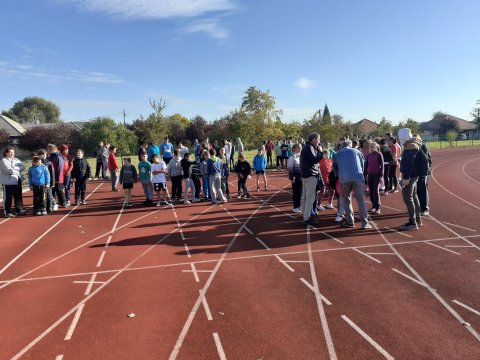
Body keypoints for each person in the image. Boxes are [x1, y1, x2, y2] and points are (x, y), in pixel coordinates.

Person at [332, 139, 371, 229]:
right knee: (361, 201)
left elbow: (334, 166)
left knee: (347, 200)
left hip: (344, 179)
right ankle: (364, 223)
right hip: (357, 177)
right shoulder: (356, 151)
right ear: (350, 144)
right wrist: (362, 174)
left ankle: (350, 222)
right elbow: (363, 163)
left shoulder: (337, 154)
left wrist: (339, 174)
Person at [398, 128, 422, 231]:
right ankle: (417, 220)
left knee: (408, 198)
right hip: (413, 175)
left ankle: (413, 222)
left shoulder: (411, 146)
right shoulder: (412, 143)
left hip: (410, 176)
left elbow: (409, 163)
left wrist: (406, 177)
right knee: (414, 196)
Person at [300, 133, 324, 226]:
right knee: (310, 197)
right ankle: (306, 218)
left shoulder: (308, 147)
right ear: (313, 139)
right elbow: (314, 160)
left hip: (306, 174)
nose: (319, 141)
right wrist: (321, 152)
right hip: (310, 175)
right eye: (318, 139)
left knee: (306, 196)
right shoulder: (309, 147)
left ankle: (305, 214)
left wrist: (317, 149)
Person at [0, 147, 26, 218]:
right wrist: (17, 170)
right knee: (8, 197)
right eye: (10, 152)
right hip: (8, 182)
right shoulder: (3, 160)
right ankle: (7, 212)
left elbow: (23, 167)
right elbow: (8, 170)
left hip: (17, 180)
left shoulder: (16, 159)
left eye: (13, 152)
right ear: (6, 153)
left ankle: (19, 210)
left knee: (18, 196)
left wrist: (15, 168)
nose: (12, 154)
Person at [366, 141, 384, 214]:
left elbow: (382, 166)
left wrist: (381, 175)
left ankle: (377, 207)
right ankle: (373, 205)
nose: (371, 148)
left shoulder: (379, 154)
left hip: (377, 174)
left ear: (376, 147)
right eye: (370, 147)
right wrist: (365, 174)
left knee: (375, 191)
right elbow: (366, 165)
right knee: (371, 190)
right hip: (370, 174)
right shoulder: (369, 155)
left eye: (372, 146)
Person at [47, 143, 66, 209]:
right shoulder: (50, 157)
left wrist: (57, 178)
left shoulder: (58, 157)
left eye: (48, 149)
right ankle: (54, 203)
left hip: (58, 178)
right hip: (51, 177)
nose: (47, 151)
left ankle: (63, 202)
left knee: (59, 190)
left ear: (52, 150)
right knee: (52, 191)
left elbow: (59, 168)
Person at [417, 142, 432, 216]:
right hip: (418, 172)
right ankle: (420, 207)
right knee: (418, 191)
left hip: (423, 173)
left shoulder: (423, 147)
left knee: (423, 190)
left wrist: (428, 168)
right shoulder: (414, 148)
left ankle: (425, 208)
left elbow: (427, 159)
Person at [287, 143, 302, 213]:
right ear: (294, 149)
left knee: (301, 192)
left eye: (300, 147)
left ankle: (301, 206)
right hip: (295, 178)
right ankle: (296, 207)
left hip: (302, 178)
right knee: (296, 193)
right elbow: (290, 169)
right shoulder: (292, 157)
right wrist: (292, 178)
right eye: (298, 147)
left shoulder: (301, 156)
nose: (300, 149)